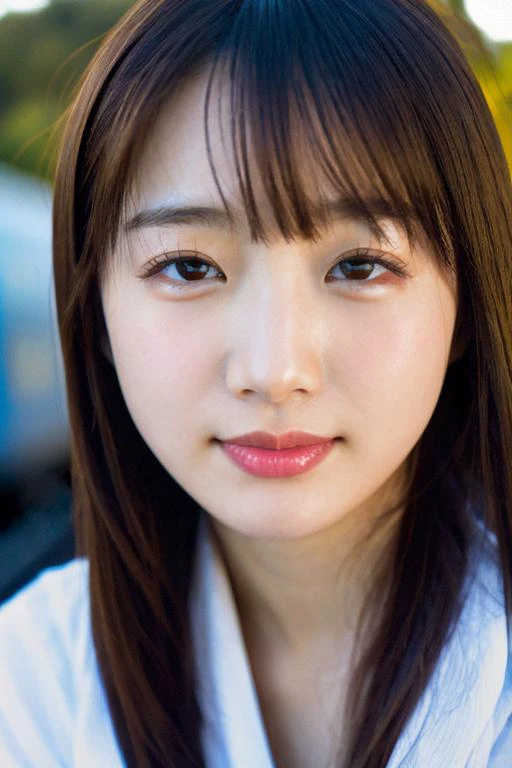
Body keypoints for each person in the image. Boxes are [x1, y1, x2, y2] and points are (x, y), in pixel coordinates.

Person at [1, 0, 511, 766]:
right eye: (189, 267)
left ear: (467, 304)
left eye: (359, 266)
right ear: (96, 310)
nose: (275, 372)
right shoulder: (32, 688)